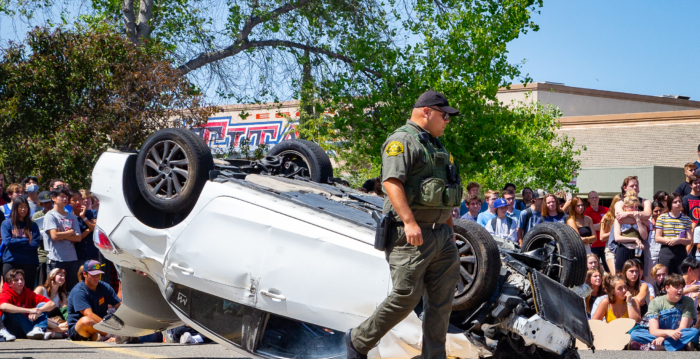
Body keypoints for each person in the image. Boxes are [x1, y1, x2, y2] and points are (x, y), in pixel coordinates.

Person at [346, 90, 461, 359]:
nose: (448, 121)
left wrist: (450, 230)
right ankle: (357, 341)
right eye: (445, 115)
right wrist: (409, 222)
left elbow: (444, 194)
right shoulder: (402, 141)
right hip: (411, 234)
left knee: (442, 301)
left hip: (441, 235)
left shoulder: (435, 145)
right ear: (427, 112)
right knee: (405, 297)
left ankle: (434, 357)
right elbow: (390, 182)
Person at [629, 273, 700, 351]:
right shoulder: (655, 302)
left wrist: (662, 338)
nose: (680, 290)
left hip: (678, 334)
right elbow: (653, 331)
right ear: (667, 288)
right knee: (635, 334)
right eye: (676, 287)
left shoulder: (687, 301)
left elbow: (683, 328)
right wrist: (667, 333)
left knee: (694, 332)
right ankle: (676, 346)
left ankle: (657, 347)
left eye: (681, 287)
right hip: (660, 335)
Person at [67, 260, 121, 341]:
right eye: (93, 275)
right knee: (86, 321)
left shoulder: (104, 287)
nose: (96, 277)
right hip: (80, 330)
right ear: (85, 274)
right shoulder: (78, 291)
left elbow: (120, 306)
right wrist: (111, 328)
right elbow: (89, 314)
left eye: (98, 274)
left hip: (101, 326)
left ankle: (99, 336)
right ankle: (113, 335)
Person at [43, 188, 82, 292]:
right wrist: (70, 232)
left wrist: (62, 233)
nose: (65, 199)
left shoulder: (72, 216)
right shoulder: (50, 216)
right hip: (56, 259)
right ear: (53, 198)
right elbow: (54, 236)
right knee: (55, 290)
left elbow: (78, 238)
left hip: (72, 259)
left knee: (72, 290)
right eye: (62, 196)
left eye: (66, 197)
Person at [0, 269, 56, 339]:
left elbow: (52, 304)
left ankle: (39, 329)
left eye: (22, 279)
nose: (20, 282)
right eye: (16, 280)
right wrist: (29, 310)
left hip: (27, 326)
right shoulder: (6, 293)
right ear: (9, 283)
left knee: (42, 305)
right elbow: (3, 306)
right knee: (10, 312)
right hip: (12, 328)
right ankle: (43, 332)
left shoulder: (27, 292)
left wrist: (38, 310)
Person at [1, 196, 41, 289]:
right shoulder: (6, 224)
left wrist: (16, 244)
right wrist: (26, 240)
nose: (24, 209)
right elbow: (8, 242)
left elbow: (34, 244)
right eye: (21, 206)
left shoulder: (33, 225)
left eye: (26, 206)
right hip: (11, 261)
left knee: (27, 291)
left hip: (29, 262)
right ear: (15, 208)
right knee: (8, 289)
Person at [656, 193, 693, 275]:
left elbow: (689, 240)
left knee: (681, 276)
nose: (678, 204)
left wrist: (678, 240)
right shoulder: (662, 217)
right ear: (670, 204)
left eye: (679, 201)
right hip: (666, 250)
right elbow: (657, 238)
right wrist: (671, 240)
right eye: (675, 202)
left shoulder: (686, 219)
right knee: (665, 276)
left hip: (681, 250)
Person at [613, 192, 648, 272]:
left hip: (637, 250)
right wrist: (635, 239)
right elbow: (617, 237)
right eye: (631, 207)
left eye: (636, 207)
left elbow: (644, 236)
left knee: (637, 274)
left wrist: (638, 220)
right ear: (625, 207)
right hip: (624, 248)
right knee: (621, 274)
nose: (634, 209)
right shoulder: (619, 220)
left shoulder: (641, 218)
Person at [69, 190, 98, 262]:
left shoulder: (92, 213)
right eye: (74, 200)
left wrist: (83, 217)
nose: (78, 202)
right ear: (69, 203)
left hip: (93, 253)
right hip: (78, 255)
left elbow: (96, 229)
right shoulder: (69, 218)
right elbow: (75, 239)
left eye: (79, 199)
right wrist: (90, 228)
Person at [32, 191, 53, 288]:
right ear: (40, 203)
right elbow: (34, 235)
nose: (48, 204)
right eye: (45, 203)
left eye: (49, 202)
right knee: (42, 284)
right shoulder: (37, 215)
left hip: (57, 254)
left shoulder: (57, 213)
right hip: (42, 254)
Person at [585, 191, 609, 270]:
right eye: (593, 198)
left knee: (608, 268)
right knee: (594, 268)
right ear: (588, 200)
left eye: (596, 197)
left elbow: (610, 225)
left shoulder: (606, 210)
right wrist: (603, 224)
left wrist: (595, 226)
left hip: (605, 244)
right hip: (593, 245)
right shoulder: (586, 212)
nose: (595, 199)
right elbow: (587, 228)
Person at [601, 195, 621, 275]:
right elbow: (602, 237)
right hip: (610, 248)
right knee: (615, 274)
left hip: (622, 248)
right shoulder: (607, 217)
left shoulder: (627, 217)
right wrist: (614, 232)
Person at [648, 201, 664, 271]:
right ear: (651, 212)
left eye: (660, 210)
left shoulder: (666, 222)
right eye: (656, 211)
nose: (658, 213)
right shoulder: (648, 223)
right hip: (650, 255)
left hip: (662, 253)